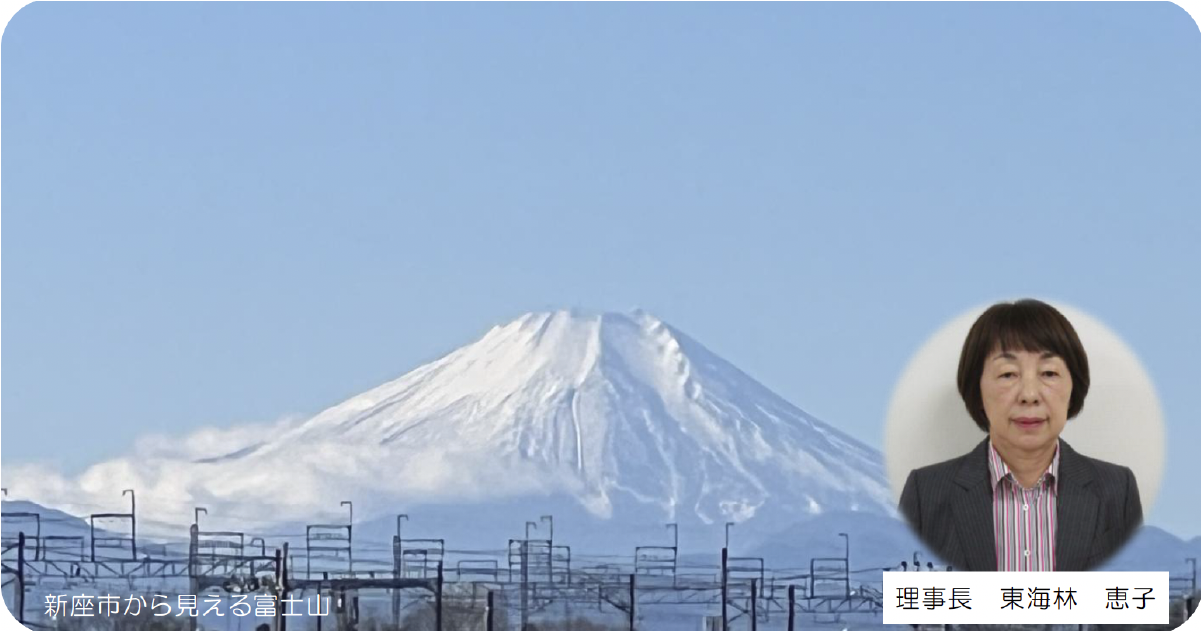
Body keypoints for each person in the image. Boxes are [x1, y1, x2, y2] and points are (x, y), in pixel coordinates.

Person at [899, 299, 1142, 571]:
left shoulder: (1117, 491)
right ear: (977, 388)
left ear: (1074, 385)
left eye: (1048, 373)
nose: (1029, 395)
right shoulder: (925, 494)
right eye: (1008, 374)